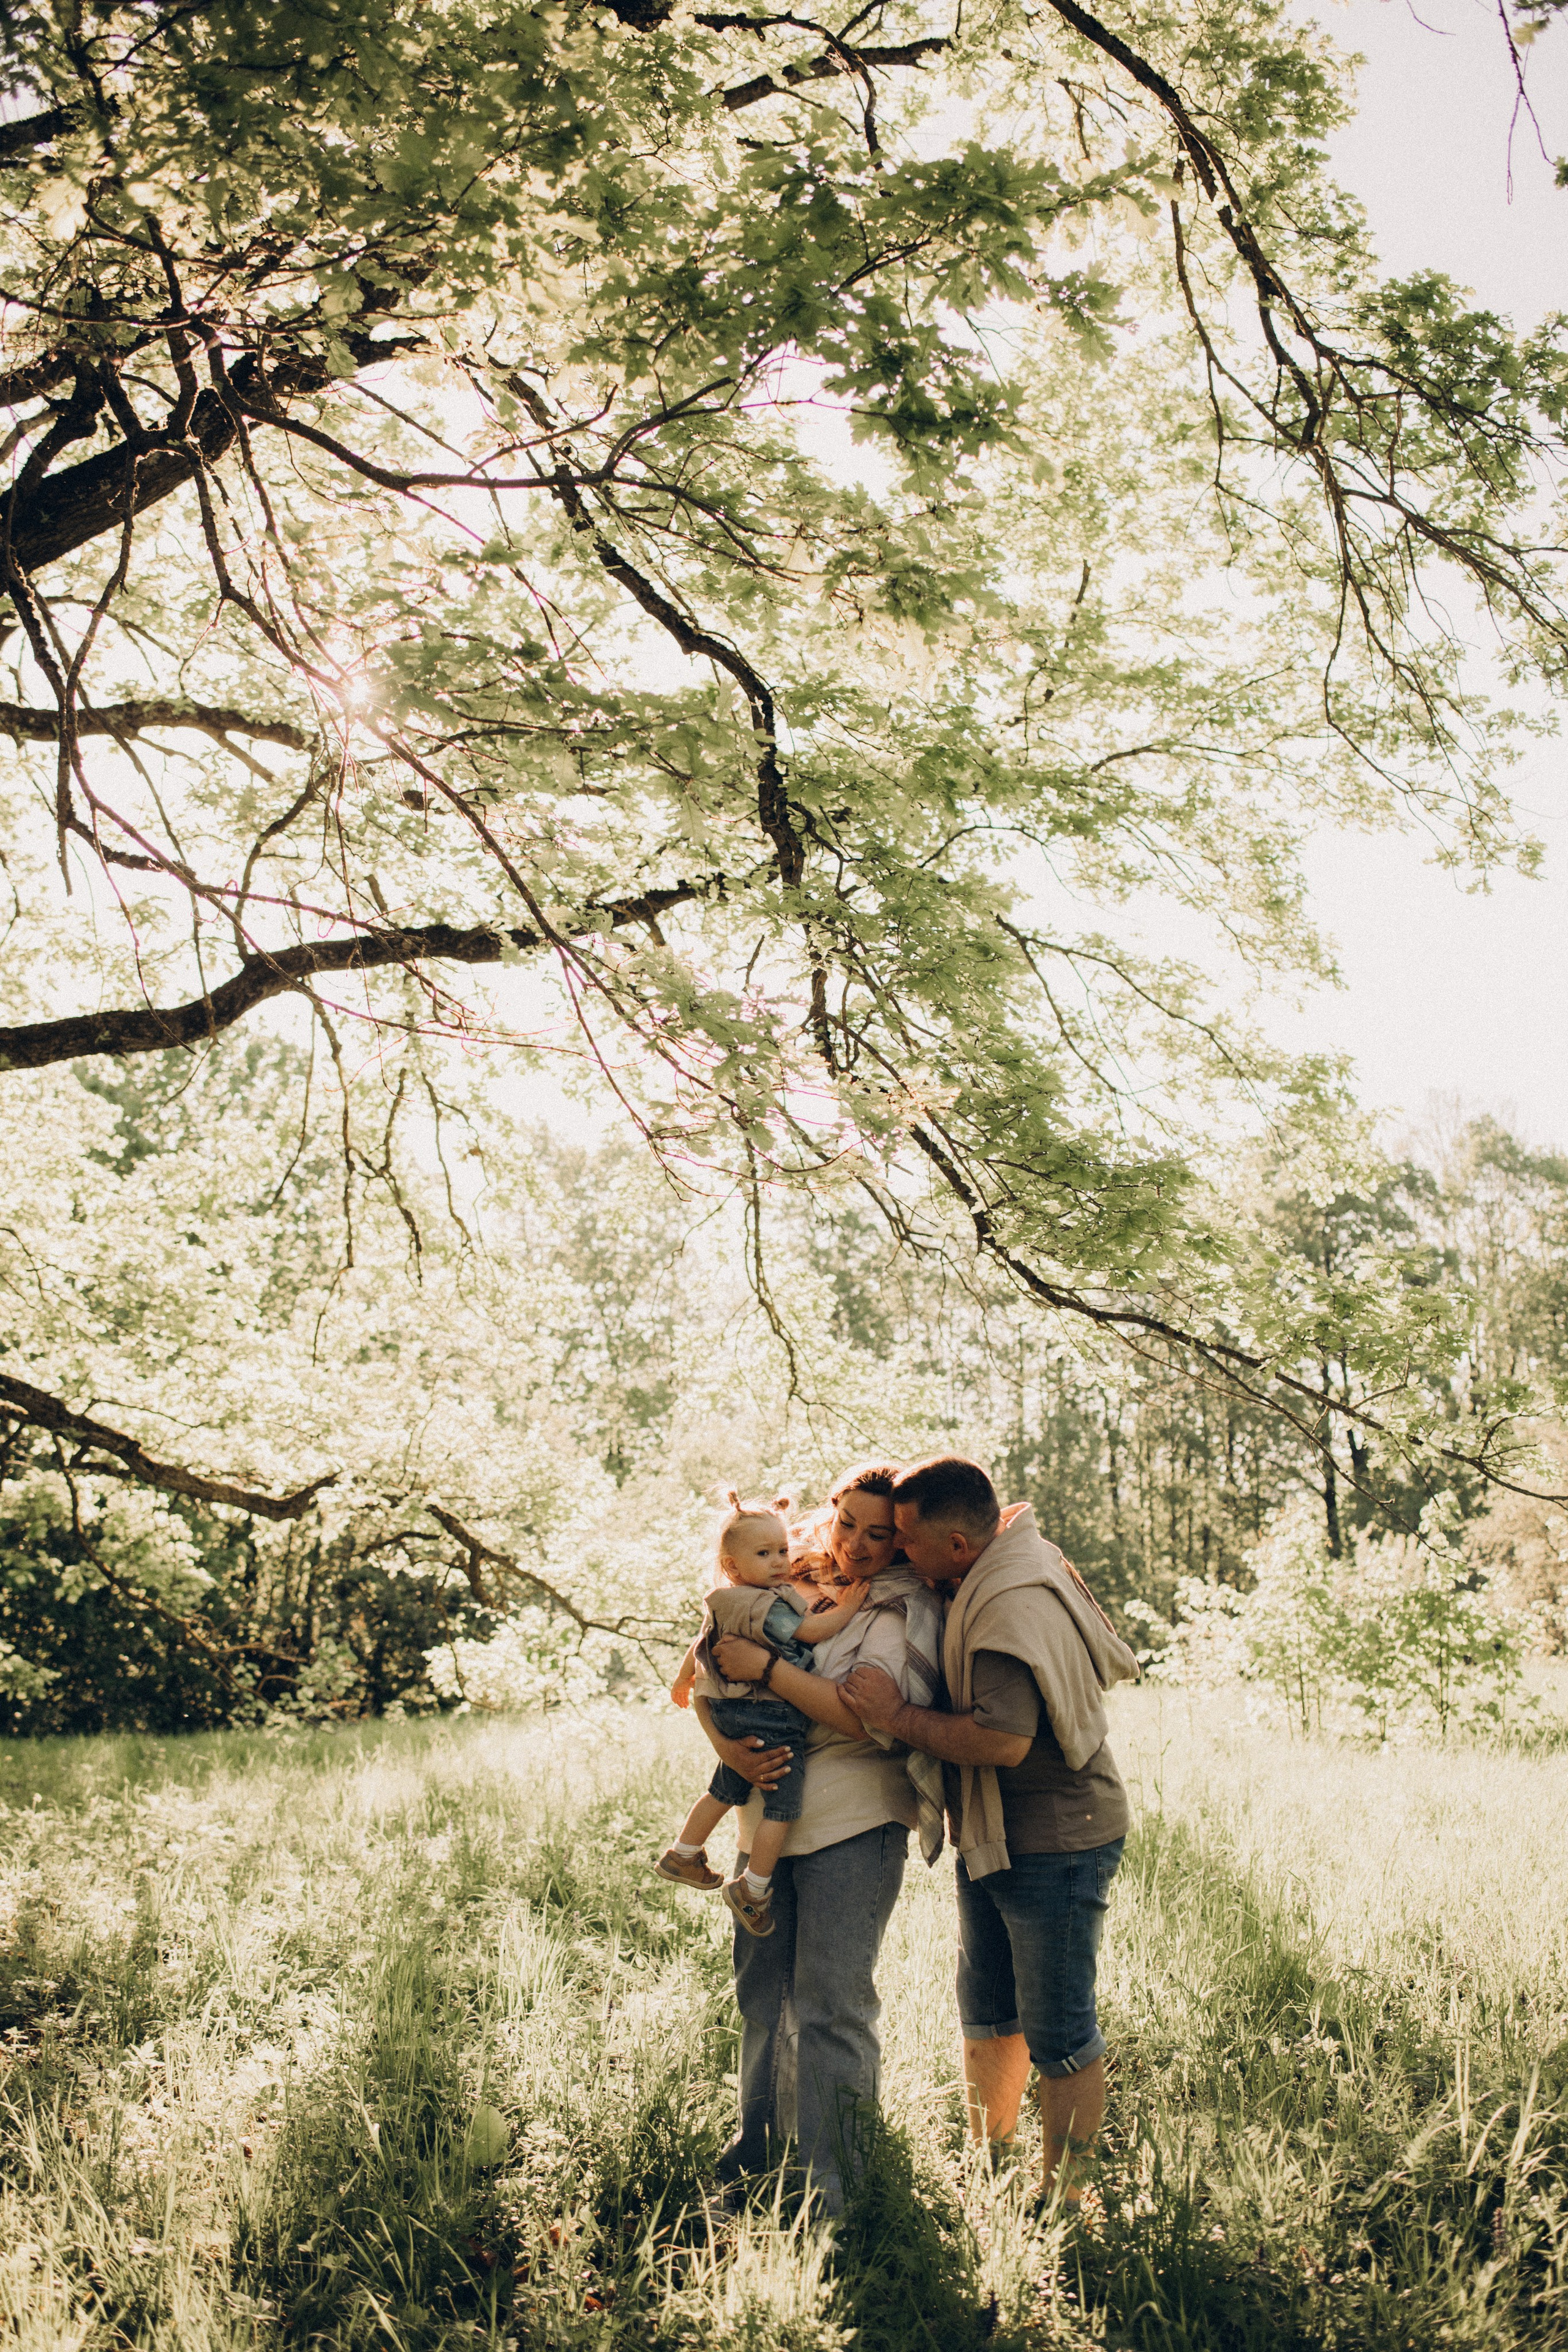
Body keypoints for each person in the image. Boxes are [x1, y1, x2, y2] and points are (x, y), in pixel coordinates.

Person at [843, 1455, 1138, 2205]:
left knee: (1060, 2031)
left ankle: (1063, 2203)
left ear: (956, 1546)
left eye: (907, 1538)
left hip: (1056, 1842)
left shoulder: (1004, 1606)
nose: (897, 1549)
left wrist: (895, 1716)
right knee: (989, 2006)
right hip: (993, 1832)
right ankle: (990, 2163)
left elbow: (1001, 1741)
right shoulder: (988, 1563)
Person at [691, 1460, 941, 2217]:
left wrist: (767, 1666)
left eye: (879, 1533)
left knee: (831, 2005)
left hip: (853, 1824)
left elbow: (862, 1716)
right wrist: (726, 1746)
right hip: (765, 1821)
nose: (859, 1546)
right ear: (827, 1518)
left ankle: (835, 2191)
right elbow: (703, 1673)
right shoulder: (783, 1585)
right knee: (764, 1997)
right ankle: (754, 2164)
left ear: (902, 1540)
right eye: (847, 1525)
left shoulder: (899, 1611)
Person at [655, 1491, 869, 1934]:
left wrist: (682, 1680)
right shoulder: (766, 1605)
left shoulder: (724, 1600)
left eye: (783, 1551)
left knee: (727, 1785)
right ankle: (753, 1889)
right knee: (783, 1806)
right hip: (770, 1715)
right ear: (733, 1566)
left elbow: (701, 1646)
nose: (778, 1562)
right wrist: (849, 1607)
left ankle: (684, 1850)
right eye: (764, 1553)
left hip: (732, 1714)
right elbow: (811, 1630)